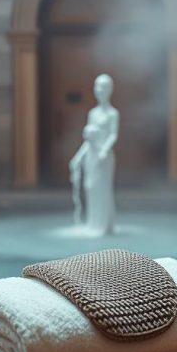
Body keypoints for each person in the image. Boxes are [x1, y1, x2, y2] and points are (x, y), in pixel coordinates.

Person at [69, 74, 118, 235]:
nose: (100, 90)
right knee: (90, 188)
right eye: (97, 86)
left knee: (103, 189)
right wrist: (78, 156)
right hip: (91, 156)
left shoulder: (113, 114)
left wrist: (104, 149)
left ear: (110, 89)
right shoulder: (93, 113)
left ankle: (104, 225)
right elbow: (88, 139)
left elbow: (113, 135)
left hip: (104, 157)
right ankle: (93, 222)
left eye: (104, 86)